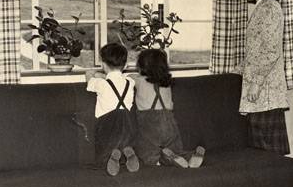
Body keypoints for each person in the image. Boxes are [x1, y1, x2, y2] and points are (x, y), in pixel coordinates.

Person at [235, 0, 290, 154]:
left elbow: (271, 51)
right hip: (257, 94)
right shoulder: (261, 8)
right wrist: (237, 71)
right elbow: (254, 52)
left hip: (266, 94)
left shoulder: (271, 9)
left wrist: (256, 83)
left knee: (269, 155)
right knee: (258, 153)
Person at [130, 49, 205, 168]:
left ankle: (162, 161)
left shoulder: (138, 80)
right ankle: (189, 156)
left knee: (146, 154)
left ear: (142, 66)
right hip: (169, 121)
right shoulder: (167, 83)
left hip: (149, 123)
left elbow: (121, 79)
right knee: (175, 149)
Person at [86, 43, 139, 176]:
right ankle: (127, 153)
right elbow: (131, 77)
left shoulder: (101, 84)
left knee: (104, 150)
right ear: (125, 66)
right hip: (128, 126)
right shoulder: (129, 82)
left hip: (107, 126)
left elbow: (88, 75)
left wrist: (100, 75)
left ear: (103, 64)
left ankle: (110, 157)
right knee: (124, 142)